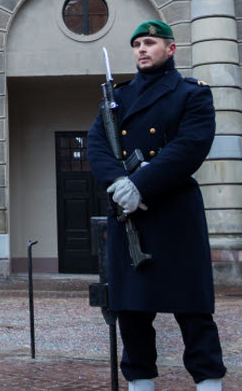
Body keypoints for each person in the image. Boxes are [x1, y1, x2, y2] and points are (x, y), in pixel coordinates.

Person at [86, 20, 225, 391]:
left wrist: (141, 184)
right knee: (131, 309)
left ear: (171, 49)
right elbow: (97, 143)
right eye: (136, 45)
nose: (142, 50)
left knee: (193, 309)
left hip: (174, 215)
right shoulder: (118, 98)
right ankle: (140, 383)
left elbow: (190, 146)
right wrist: (118, 183)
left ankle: (208, 382)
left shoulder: (191, 94)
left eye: (150, 42)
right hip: (129, 217)